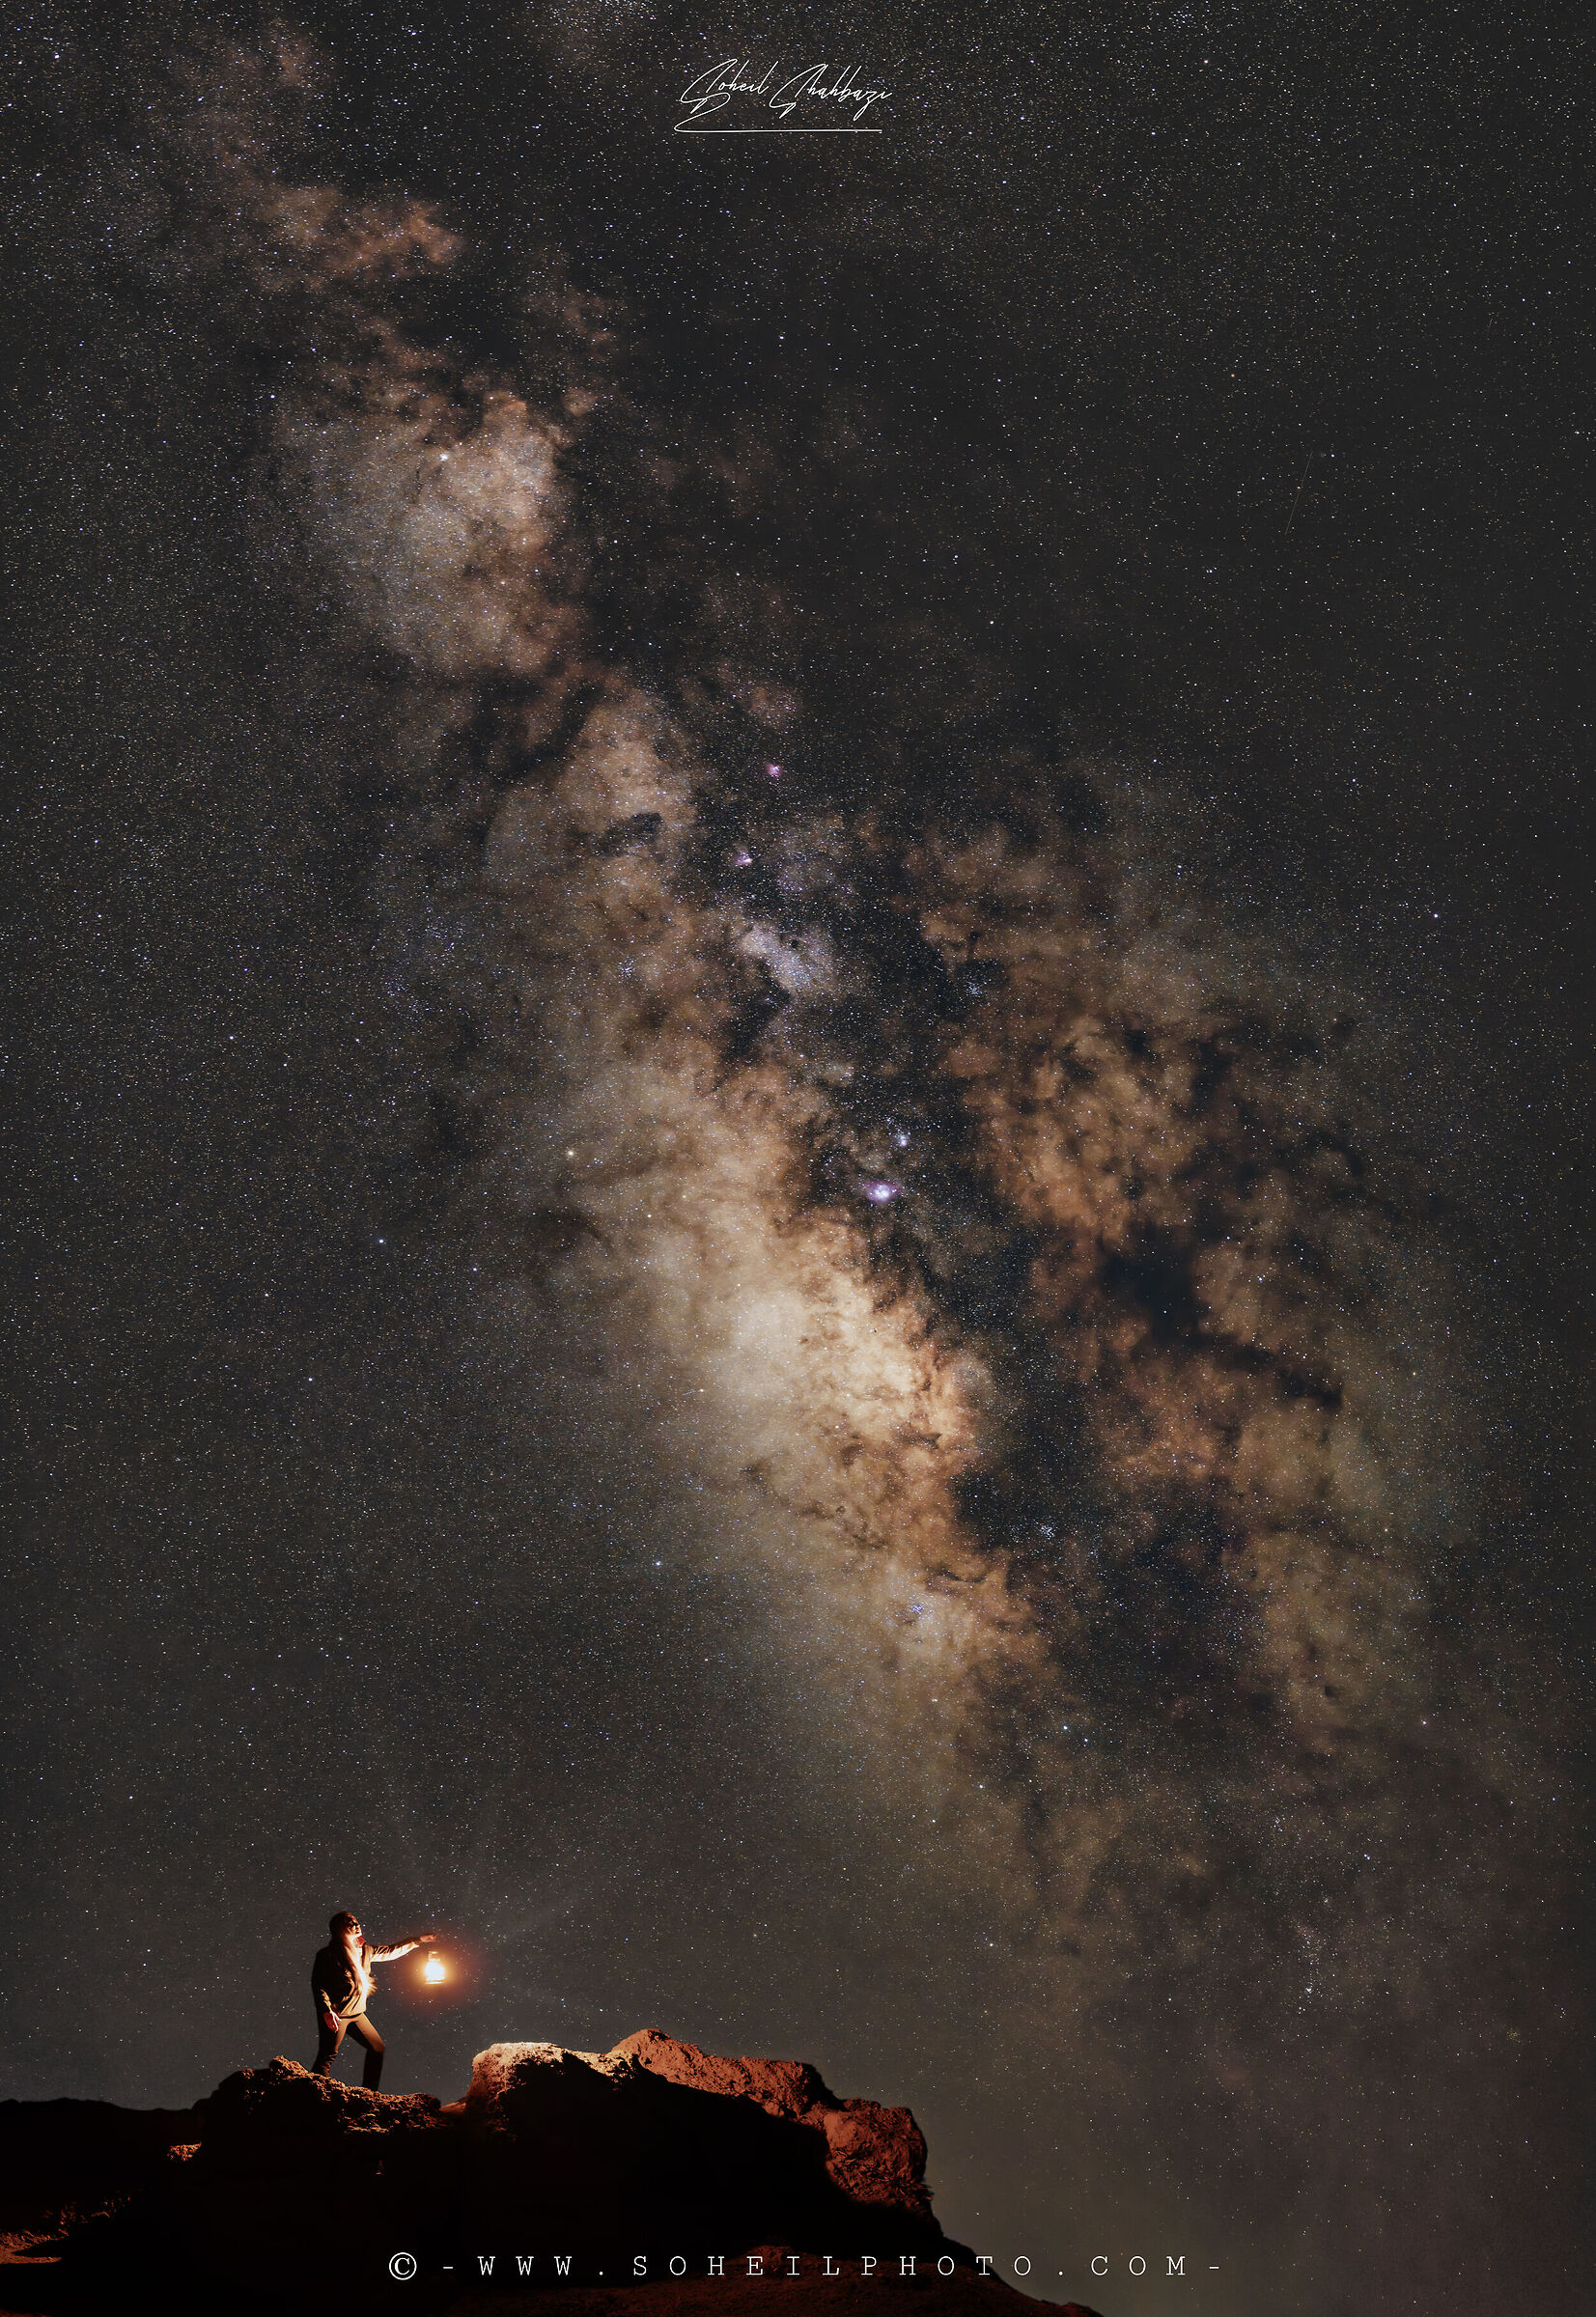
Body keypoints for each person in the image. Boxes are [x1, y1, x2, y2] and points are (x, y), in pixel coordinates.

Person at [310, 1910, 437, 2090]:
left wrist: (418, 1941)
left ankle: (369, 2093)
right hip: (337, 2015)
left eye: (356, 1921)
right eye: (350, 1922)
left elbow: (391, 1951)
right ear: (340, 1929)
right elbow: (318, 1985)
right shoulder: (328, 1955)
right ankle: (313, 2091)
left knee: (377, 2048)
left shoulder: (365, 1951)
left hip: (357, 2014)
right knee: (327, 2055)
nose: (356, 1924)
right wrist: (326, 2011)